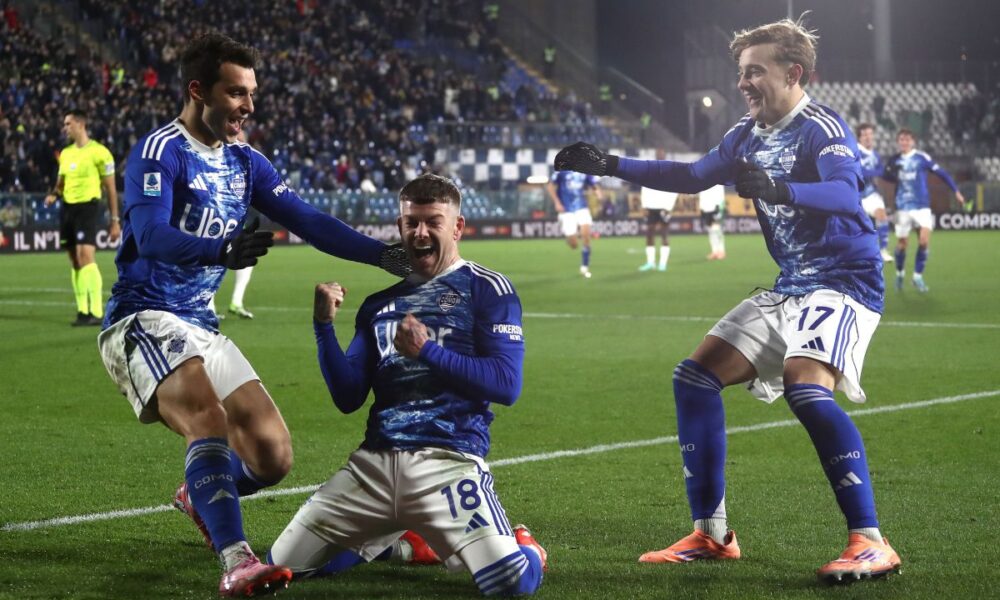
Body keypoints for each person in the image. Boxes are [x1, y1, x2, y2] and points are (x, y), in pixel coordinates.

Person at [554, 17, 901, 584]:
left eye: (754, 71)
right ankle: (712, 535)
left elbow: (845, 194)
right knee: (694, 376)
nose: (744, 83)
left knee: (805, 388)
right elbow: (692, 174)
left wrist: (781, 189)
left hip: (843, 282)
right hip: (791, 284)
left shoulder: (820, 126)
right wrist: (612, 165)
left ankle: (870, 540)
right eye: (741, 73)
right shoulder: (745, 133)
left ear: (793, 73)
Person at [95, 33, 409, 598]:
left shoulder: (246, 161)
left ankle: (200, 492)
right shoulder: (159, 151)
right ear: (198, 90)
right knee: (208, 421)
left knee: (271, 458)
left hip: (200, 325)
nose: (248, 106)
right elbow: (148, 234)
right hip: (143, 319)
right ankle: (237, 560)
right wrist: (217, 250)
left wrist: (384, 254)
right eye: (236, 93)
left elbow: (311, 220)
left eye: (252, 94)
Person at [268, 173, 548, 596]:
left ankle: (526, 547)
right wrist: (323, 327)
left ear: (457, 228)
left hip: (448, 462)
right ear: (399, 228)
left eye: (433, 221)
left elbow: (507, 385)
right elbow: (348, 398)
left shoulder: (487, 289)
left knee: (510, 583)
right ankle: (401, 544)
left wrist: (428, 351)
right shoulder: (379, 305)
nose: (420, 233)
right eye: (411, 222)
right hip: (373, 466)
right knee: (281, 566)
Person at [44, 109, 120, 326]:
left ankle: (96, 312)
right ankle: (82, 311)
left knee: (85, 255)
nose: (65, 128)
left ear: (80, 124)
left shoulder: (100, 152)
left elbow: (111, 189)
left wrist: (114, 221)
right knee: (75, 260)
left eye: (68, 124)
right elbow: (61, 183)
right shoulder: (66, 153)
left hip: (88, 207)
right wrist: (53, 194)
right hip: (67, 208)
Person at [882, 128, 966, 292]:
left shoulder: (922, 158)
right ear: (898, 142)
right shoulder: (894, 160)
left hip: (922, 206)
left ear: (912, 141)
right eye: (901, 140)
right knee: (902, 244)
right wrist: (891, 175)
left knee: (924, 241)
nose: (904, 142)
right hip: (902, 207)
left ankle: (917, 277)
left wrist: (955, 191)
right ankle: (900, 273)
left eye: (907, 139)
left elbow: (942, 173)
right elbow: (886, 176)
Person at [547, 169, 602, 278]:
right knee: (574, 245)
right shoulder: (561, 171)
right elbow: (550, 187)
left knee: (586, 236)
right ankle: (570, 238)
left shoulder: (585, 170)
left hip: (582, 207)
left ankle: (584, 267)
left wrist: (598, 193)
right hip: (566, 210)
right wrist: (557, 203)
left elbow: (594, 184)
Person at [855, 123, 894, 263]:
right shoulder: (855, 151)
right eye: (865, 134)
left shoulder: (875, 154)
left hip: (871, 194)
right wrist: (876, 173)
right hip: (856, 195)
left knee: (882, 215)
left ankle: (883, 250)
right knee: (859, 228)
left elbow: (882, 171)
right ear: (859, 137)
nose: (868, 137)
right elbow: (860, 172)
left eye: (870, 134)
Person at [638, 154, 676, 272]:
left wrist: (669, 207)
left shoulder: (669, 174)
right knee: (649, 234)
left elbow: (675, 190)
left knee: (664, 234)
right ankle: (650, 262)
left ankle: (662, 264)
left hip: (663, 208)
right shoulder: (650, 173)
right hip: (651, 207)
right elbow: (644, 188)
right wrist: (644, 206)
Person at [699, 185, 727, 260]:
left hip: (716, 206)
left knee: (717, 229)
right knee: (710, 230)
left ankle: (721, 251)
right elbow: (702, 193)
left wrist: (720, 205)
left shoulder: (717, 179)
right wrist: (701, 207)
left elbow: (720, 191)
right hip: (706, 207)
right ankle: (714, 251)